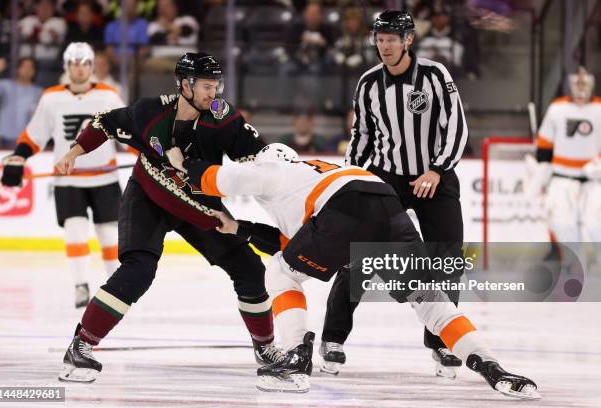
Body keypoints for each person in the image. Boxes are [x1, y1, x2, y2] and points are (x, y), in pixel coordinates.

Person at [177, 142, 539, 399]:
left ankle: (294, 357)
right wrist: (237, 227)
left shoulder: (273, 167)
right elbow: (295, 244)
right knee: (428, 299)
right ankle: (492, 367)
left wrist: (184, 165)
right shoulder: (312, 174)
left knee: (278, 273)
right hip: (384, 203)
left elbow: (219, 179)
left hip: (342, 210)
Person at [54, 52, 282, 383]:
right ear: (184, 85)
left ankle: (266, 348)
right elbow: (104, 121)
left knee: (249, 268)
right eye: (205, 86)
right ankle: (82, 345)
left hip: (197, 204)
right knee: (138, 272)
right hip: (148, 197)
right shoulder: (149, 112)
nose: (212, 93)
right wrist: (74, 152)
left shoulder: (224, 117)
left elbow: (258, 161)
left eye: (215, 85)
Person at [321, 10, 469, 378]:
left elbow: (456, 125)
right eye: (379, 38)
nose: (384, 45)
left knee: (447, 260)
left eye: (391, 38)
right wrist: (350, 178)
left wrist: (437, 168)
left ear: (408, 41)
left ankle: (440, 342)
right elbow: (362, 137)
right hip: (386, 178)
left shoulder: (436, 75)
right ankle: (333, 338)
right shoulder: (369, 83)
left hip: (435, 175)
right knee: (360, 254)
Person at [0, 43, 124, 307]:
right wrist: (18, 158)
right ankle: (81, 286)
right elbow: (34, 136)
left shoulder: (109, 96)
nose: (79, 69)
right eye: (74, 64)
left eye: (84, 63)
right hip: (68, 180)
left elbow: (128, 133)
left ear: (91, 66)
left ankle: (117, 288)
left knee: (109, 236)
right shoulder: (51, 97)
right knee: (75, 231)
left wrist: (154, 153)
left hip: (105, 179)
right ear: (67, 67)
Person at [530, 67, 601, 260]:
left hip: (594, 182)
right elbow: (544, 147)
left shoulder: (600, 108)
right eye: (577, 83)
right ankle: (575, 268)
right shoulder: (557, 108)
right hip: (562, 180)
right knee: (563, 227)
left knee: (596, 227)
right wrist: (540, 175)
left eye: (584, 83)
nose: (580, 87)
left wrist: (598, 165)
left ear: (591, 84)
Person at [0, 57, 42, 148]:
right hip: (6, 137)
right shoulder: (7, 85)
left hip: (29, 138)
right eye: (24, 66)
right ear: (18, 69)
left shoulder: (39, 92)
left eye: (30, 67)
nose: (27, 70)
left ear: (34, 71)